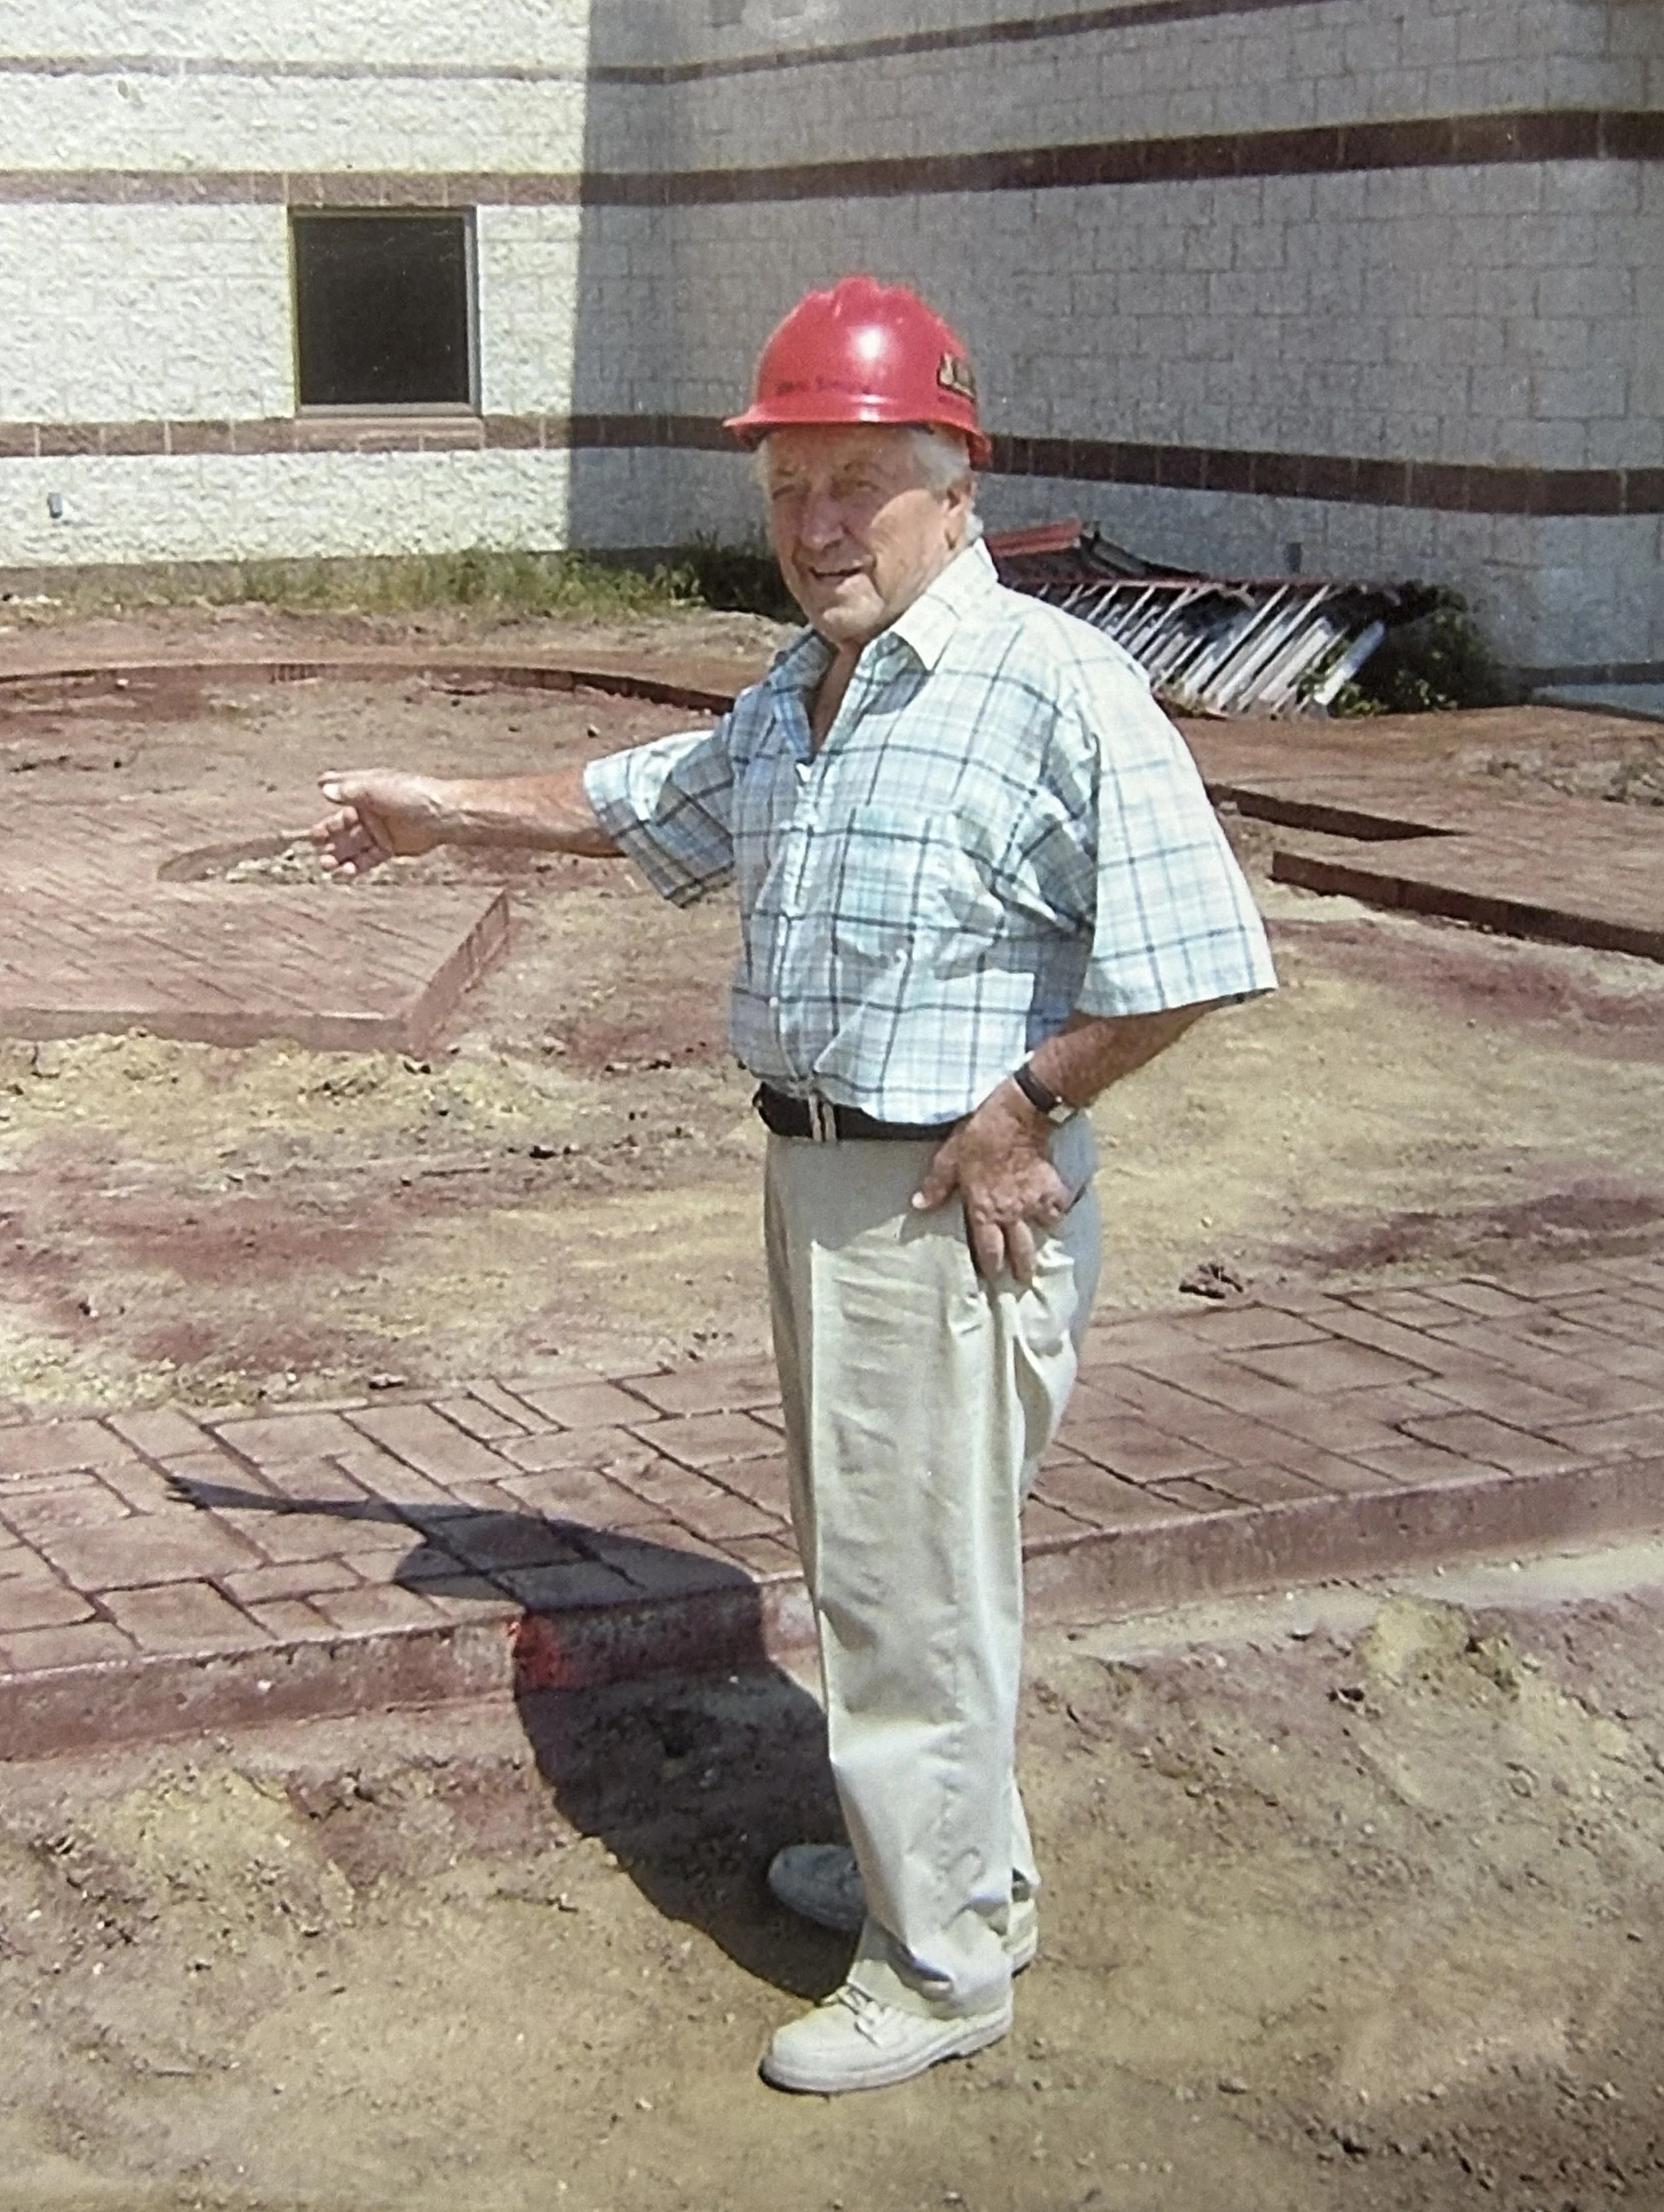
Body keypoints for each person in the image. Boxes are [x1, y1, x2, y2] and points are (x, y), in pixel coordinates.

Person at [311, 274, 1278, 2096]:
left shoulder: (1050, 686)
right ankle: (952, 1862)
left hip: (937, 1196)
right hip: (820, 1182)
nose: (816, 525)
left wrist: (1019, 1107)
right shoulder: (810, 688)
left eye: (855, 483)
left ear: (954, 486)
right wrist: (447, 806)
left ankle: (937, 1965)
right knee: (889, 1562)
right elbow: (653, 794)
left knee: (908, 1589)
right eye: (787, 492)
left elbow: (1192, 950)